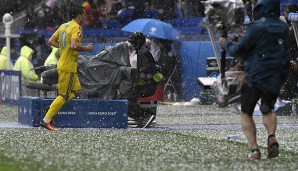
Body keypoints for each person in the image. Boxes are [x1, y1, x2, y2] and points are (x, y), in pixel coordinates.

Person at [219, 0, 290, 160]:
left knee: (246, 112)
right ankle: (271, 136)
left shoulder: (256, 27)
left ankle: (254, 150)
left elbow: (238, 50)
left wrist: (226, 44)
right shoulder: (283, 27)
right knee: (267, 108)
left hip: (256, 76)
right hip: (275, 76)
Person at [41, 5, 94, 131]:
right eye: (84, 14)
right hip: (68, 66)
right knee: (64, 95)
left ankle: (52, 107)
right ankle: (46, 120)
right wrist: (87, 48)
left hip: (65, 64)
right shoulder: (76, 27)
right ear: (79, 15)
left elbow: (51, 41)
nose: (85, 16)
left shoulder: (64, 25)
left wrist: (63, 47)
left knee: (77, 91)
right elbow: (74, 45)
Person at [126, 32, 164, 128]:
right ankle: (142, 116)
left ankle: (143, 116)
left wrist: (134, 77)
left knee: (126, 99)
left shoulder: (143, 52)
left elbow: (146, 70)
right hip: (149, 84)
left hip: (149, 86)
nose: (132, 46)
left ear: (137, 43)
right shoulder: (143, 51)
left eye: (133, 43)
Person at [280, 3, 298, 100]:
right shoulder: (288, 27)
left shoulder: (295, 27)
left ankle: (292, 97)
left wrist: (296, 60)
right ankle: (286, 96)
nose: (284, 14)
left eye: (286, 12)